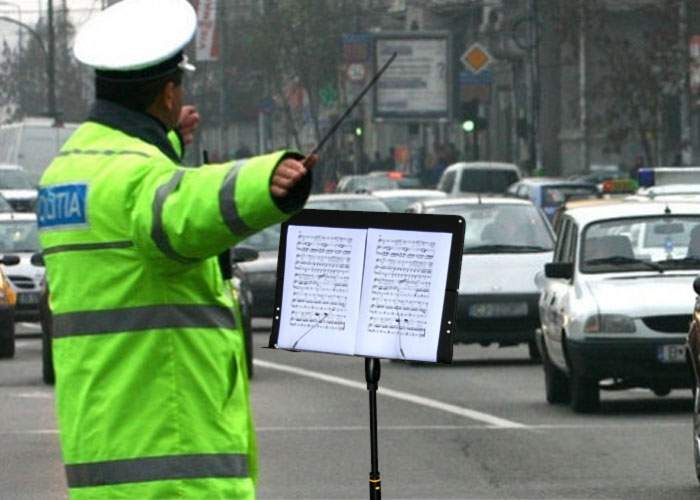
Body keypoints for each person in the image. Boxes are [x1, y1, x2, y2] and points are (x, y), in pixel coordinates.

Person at [36, 1, 316, 498]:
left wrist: (165, 144)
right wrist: (267, 179)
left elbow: (138, 215)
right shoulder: (141, 177)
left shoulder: (68, 170)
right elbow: (183, 208)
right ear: (168, 92)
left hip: (105, 454)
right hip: (172, 468)